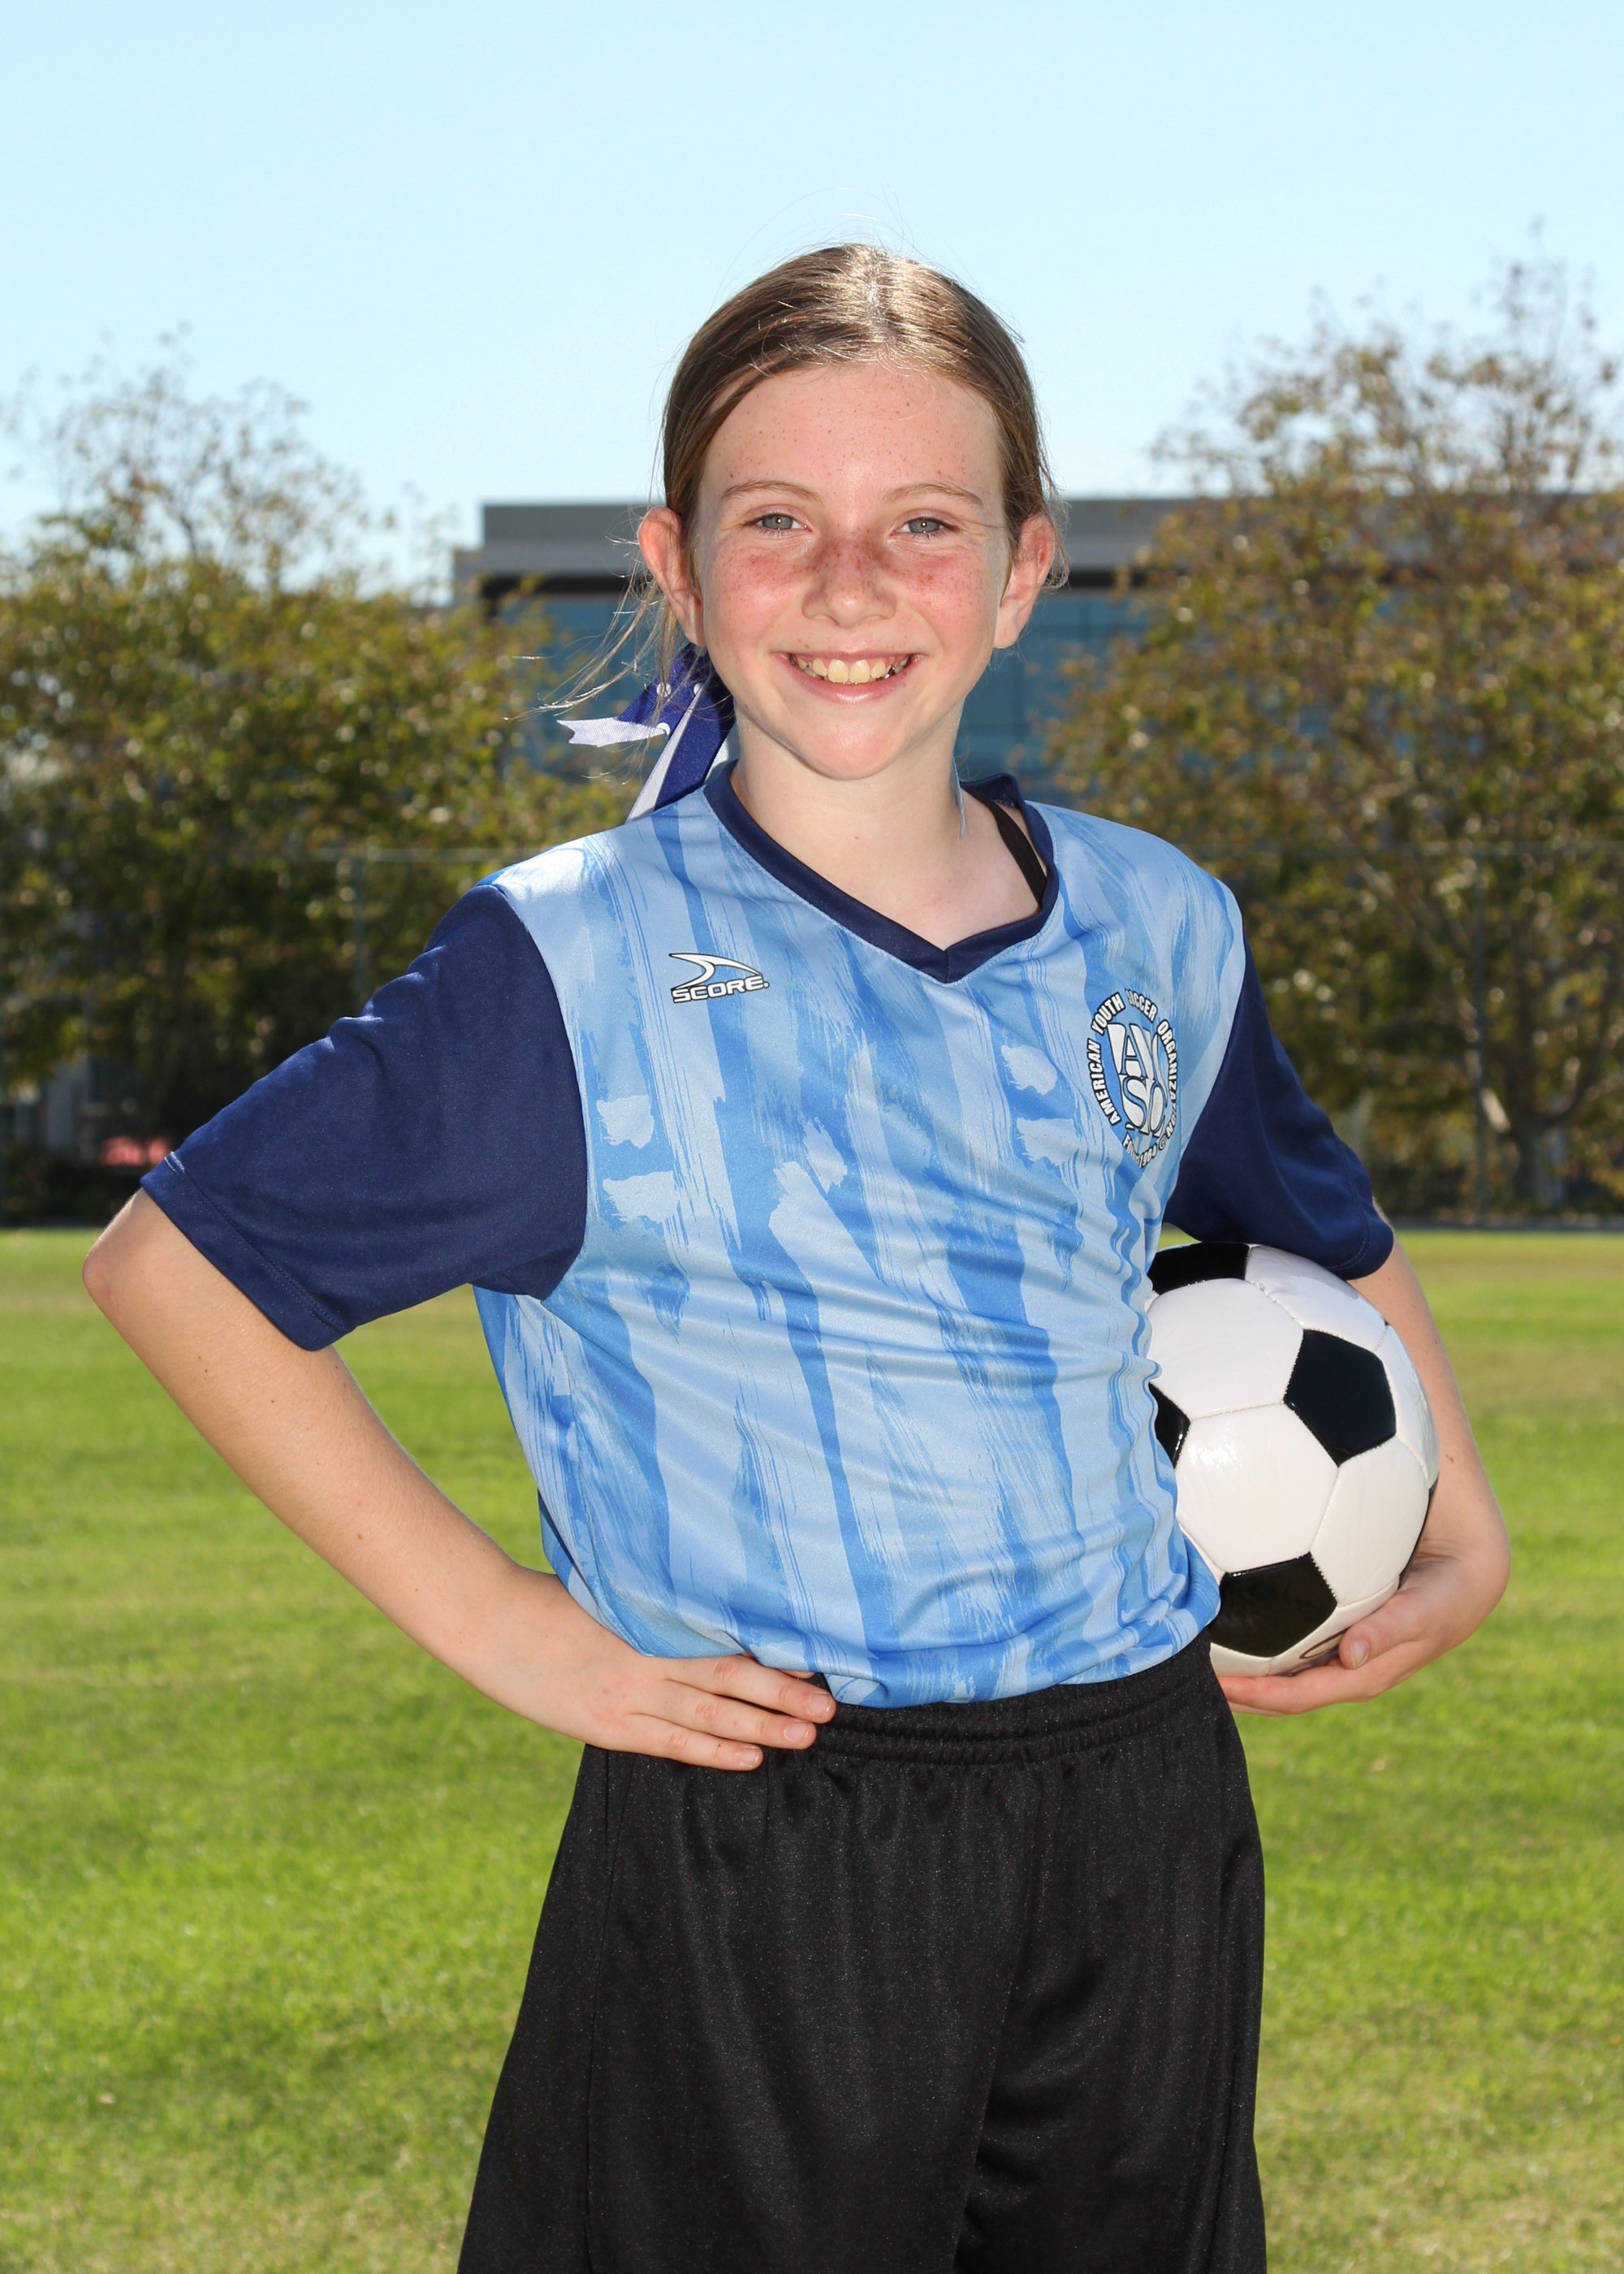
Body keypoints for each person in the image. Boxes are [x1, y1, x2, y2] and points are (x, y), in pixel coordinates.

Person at [84, 246, 1510, 2274]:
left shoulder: (1157, 923)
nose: (851, 582)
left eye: (921, 522)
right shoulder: (564, 964)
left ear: (1019, 569)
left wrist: (1468, 1522)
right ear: (678, 568)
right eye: (778, 521)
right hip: (770, 1823)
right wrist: (504, 1625)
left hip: (1141, 1802)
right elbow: (177, 1262)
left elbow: (1316, 1220)